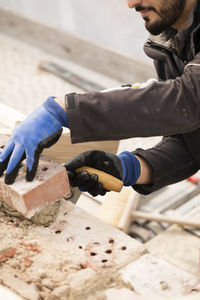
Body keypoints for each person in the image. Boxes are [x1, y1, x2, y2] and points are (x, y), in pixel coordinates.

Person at [0, 0, 200, 198]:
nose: (132, 4)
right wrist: (130, 168)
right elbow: (190, 141)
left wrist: (64, 110)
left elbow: (186, 101)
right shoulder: (171, 41)